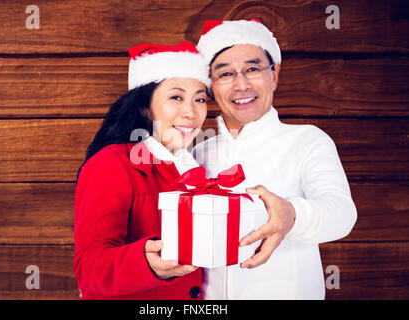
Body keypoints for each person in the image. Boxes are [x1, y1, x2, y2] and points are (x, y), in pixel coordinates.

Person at [192, 19, 357, 299]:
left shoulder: (308, 140)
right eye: (225, 74)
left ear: (275, 75)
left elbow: (342, 214)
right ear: (210, 86)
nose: (241, 84)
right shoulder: (199, 152)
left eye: (253, 69)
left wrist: (291, 215)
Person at [73, 41, 211, 299]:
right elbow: (89, 269)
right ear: (145, 106)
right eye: (176, 97)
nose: (191, 112)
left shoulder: (196, 171)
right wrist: (146, 263)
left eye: (200, 99)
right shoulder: (111, 164)